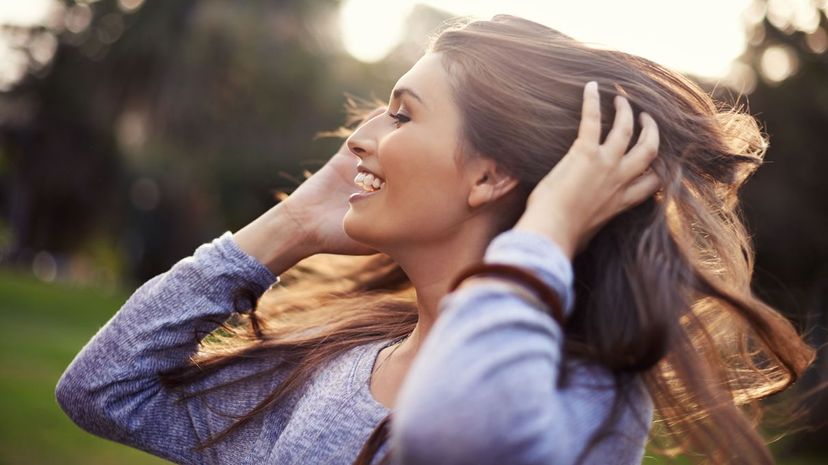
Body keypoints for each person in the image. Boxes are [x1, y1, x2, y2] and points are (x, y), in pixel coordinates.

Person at [55, 14, 816, 465]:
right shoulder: (341, 368)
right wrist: (288, 227)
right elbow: (103, 391)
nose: (360, 138)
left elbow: (453, 422)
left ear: (490, 176)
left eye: (402, 113)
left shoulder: (582, 393)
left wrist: (549, 224)